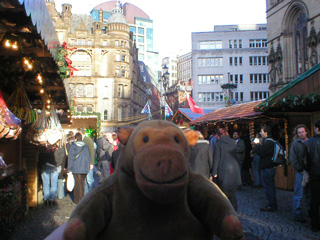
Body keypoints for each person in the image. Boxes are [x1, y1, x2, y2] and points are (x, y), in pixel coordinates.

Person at [212, 128, 241, 211]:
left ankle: (226, 210)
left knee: (224, 192)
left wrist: (214, 172)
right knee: (232, 192)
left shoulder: (218, 144)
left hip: (223, 169)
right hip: (234, 168)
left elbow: (216, 158)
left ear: (218, 135)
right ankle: (234, 208)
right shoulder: (233, 142)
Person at [252, 125, 277, 212]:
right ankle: (272, 204)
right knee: (269, 186)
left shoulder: (268, 142)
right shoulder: (269, 141)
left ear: (266, 132)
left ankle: (271, 205)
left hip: (268, 167)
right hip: (269, 167)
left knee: (269, 187)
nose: (260, 133)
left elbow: (260, 152)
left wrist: (257, 144)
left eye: (261, 131)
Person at [289, 124, 310, 223]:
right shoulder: (295, 144)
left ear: (306, 132)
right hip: (301, 172)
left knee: (309, 194)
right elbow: (293, 159)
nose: (301, 134)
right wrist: (300, 169)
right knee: (298, 194)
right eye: (299, 133)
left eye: (303, 132)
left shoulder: (311, 141)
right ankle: (297, 214)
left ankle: (309, 213)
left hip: (311, 171)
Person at [68, 133, 91, 204]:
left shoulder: (73, 146)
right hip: (84, 168)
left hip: (76, 168)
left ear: (75, 138)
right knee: (82, 184)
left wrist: (69, 169)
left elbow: (71, 158)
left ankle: (77, 200)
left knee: (77, 185)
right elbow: (88, 157)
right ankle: (82, 199)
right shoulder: (86, 146)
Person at [306, 120, 320, 232]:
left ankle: (315, 224)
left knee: (315, 199)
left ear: (317, 128)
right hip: (315, 171)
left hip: (315, 173)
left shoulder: (310, 142)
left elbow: (306, 160)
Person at [77, 128, 95, 194]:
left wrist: (92, 163)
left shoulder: (88, 140)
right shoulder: (79, 140)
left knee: (90, 181)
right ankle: (86, 196)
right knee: (84, 181)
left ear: (81, 133)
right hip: (82, 164)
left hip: (88, 163)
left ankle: (91, 195)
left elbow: (92, 151)